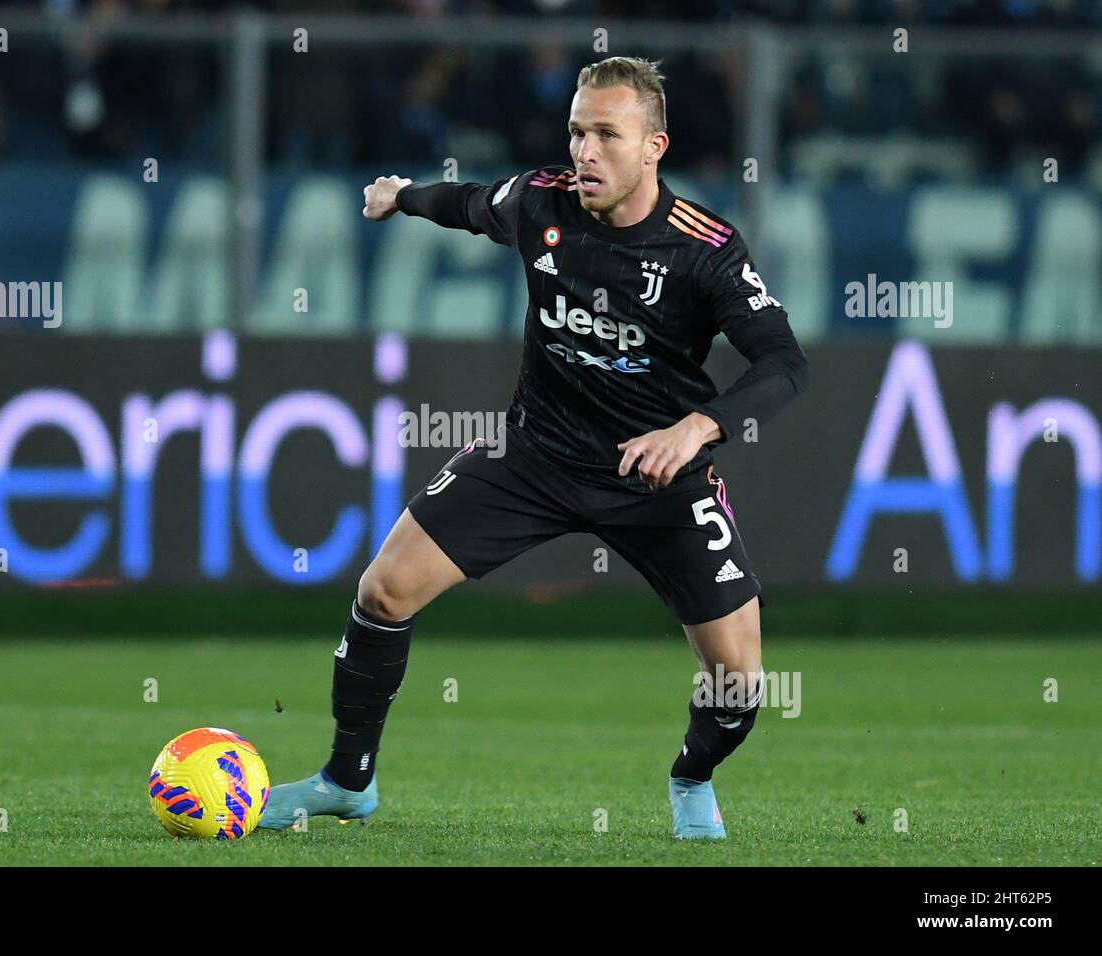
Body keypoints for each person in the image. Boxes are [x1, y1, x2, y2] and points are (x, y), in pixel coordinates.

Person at [259, 56, 809, 840]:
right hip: (537, 454)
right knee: (383, 592)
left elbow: (786, 362)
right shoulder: (541, 202)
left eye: (607, 135)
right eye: (578, 131)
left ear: (654, 147)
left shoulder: (705, 247)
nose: (586, 151)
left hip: (661, 476)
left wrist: (697, 427)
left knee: (741, 680)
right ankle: (349, 781)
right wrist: (401, 196)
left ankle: (690, 776)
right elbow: (468, 203)